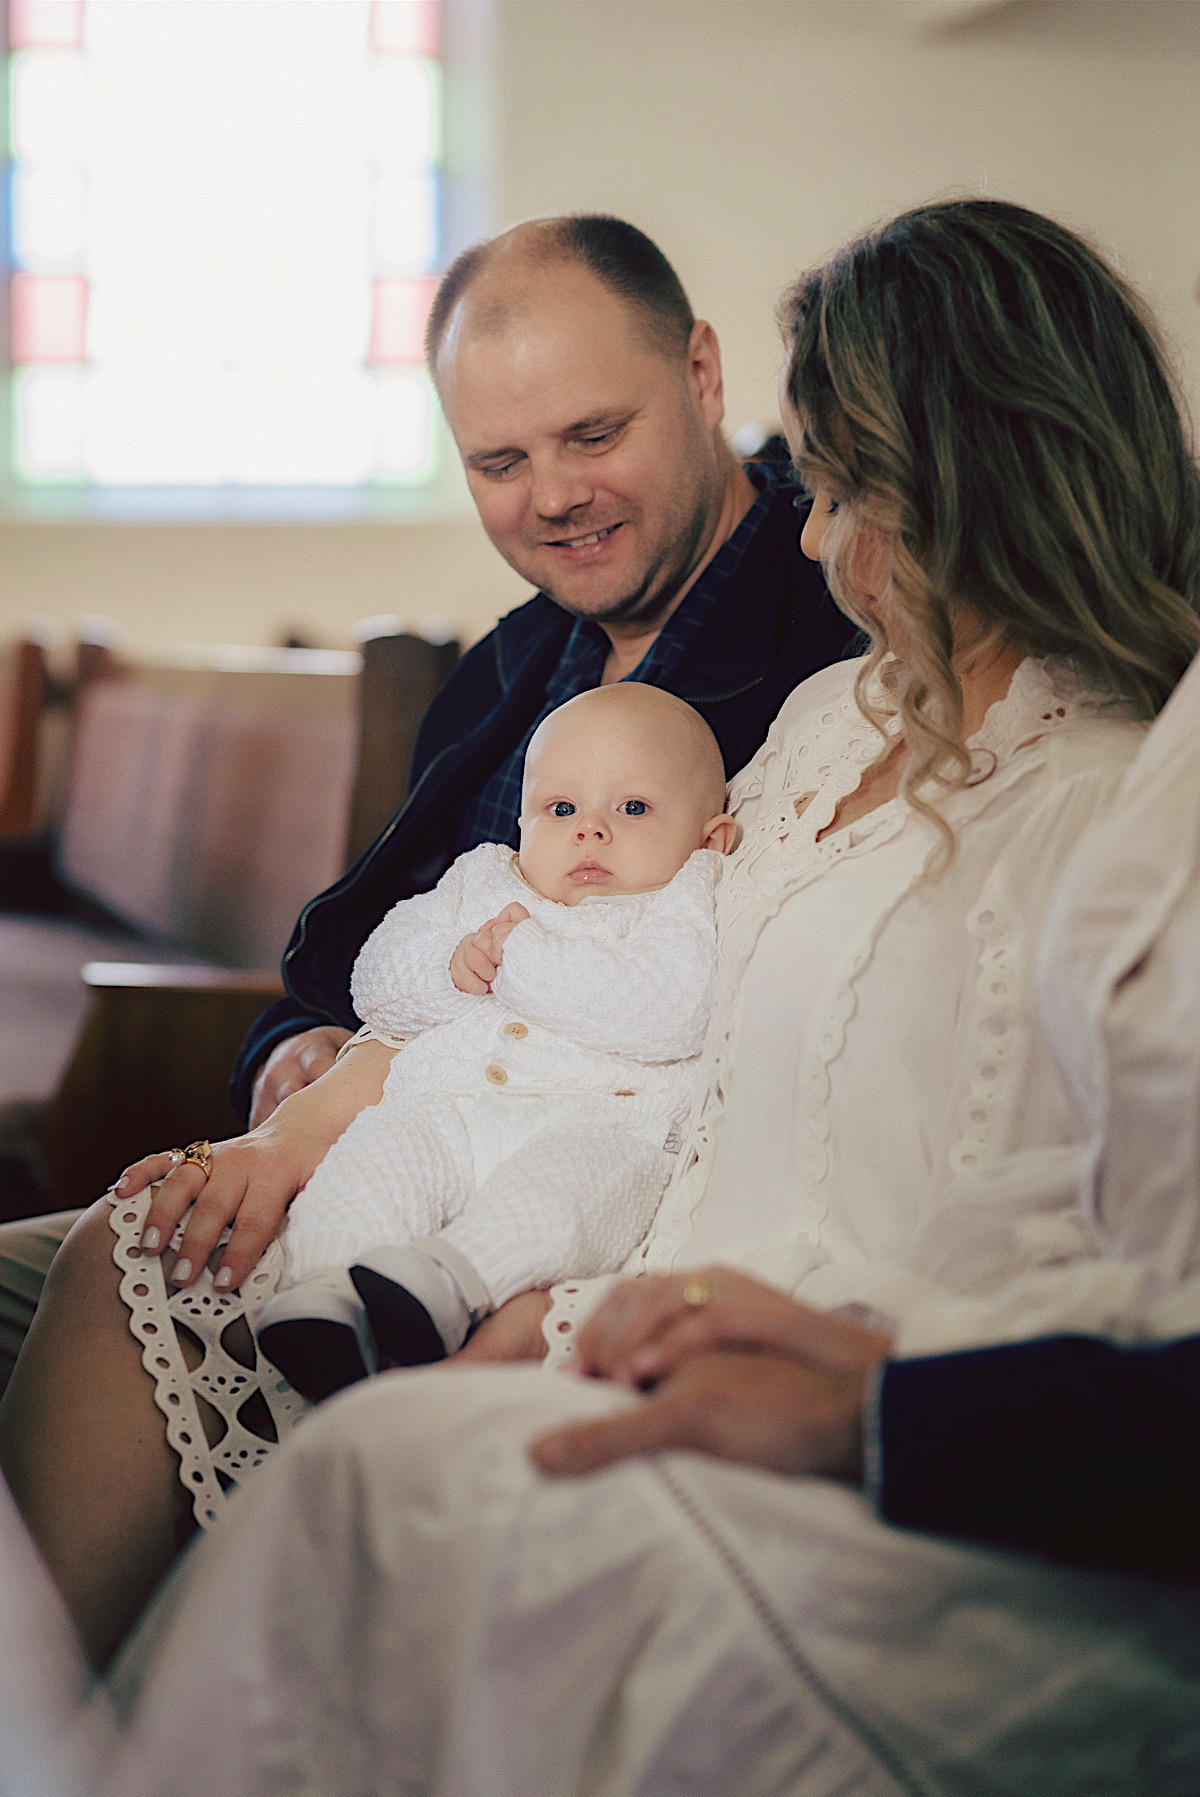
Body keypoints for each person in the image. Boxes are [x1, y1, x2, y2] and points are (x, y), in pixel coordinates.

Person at [5, 195, 1200, 1796]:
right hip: (530, 1192)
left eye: (840, 491)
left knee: (362, 1468)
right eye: (501, 461)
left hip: (665, 1249)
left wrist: (548, 1293)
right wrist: (311, 1080)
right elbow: (387, 941)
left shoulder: (1097, 794)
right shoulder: (782, 710)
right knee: (119, 1261)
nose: (813, 533)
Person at [0, 212, 855, 1393]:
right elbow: (353, 945)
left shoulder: (831, 635)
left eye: (593, 433)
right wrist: (293, 1055)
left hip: (559, 1219)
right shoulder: (509, 667)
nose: (553, 494)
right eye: (499, 463)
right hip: (379, 1160)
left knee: (107, 1267)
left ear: (701, 375)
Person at [257, 684, 734, 1397]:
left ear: (709, 837)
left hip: (599, 1125)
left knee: (572, 1199)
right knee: (377, 1157)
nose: (589, 830)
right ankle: (325, 1294)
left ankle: (452, 1278)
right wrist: (453, 969)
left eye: (632, 808)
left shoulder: (683, 905)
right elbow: (375, 980)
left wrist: (524, 961)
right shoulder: (482, 879)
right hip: (447, 1110)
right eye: (561, 808)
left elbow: (673, 1011)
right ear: (523, 820)